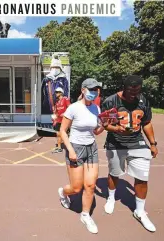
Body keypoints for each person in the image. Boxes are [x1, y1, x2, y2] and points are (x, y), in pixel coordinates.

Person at [101, 75, 158, 232]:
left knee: (142, 177)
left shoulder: (143, 100)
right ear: (124, 88)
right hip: (116, 143)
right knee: (114, 173)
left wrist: (153, 143)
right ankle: (111, 198)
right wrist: (117, 129)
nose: (134, 95)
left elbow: (146, 123)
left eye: (137, 91)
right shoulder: (111, 101)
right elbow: (106, 124)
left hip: (137, 143)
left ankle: (139, 211)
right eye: (131, 91)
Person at [58, 78, 107, 234]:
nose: (93, 93)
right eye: (91, 89)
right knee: (76, 188)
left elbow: (96, 132)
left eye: (96, 90)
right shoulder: (73, 108)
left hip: (91, 148)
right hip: (76, 148)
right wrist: (70, 150)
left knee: (90, 185)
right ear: (83, 90)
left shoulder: (97, 109)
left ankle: (85, 215)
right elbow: (62, 131)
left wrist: (104, 125)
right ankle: (63, 193)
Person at [52, 87, 70, 153]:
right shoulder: (57, 102)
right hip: (58, 121)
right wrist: (54, 117)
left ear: (61, 93)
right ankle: (59, 148)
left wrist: (65, 113)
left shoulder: (65, 99)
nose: (56, 93)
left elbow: (70, 108)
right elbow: (56, 113)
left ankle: (68, 147)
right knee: (58, 134)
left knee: (64, 134)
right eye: (56, 92)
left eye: (57, 92)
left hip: (65, 120)